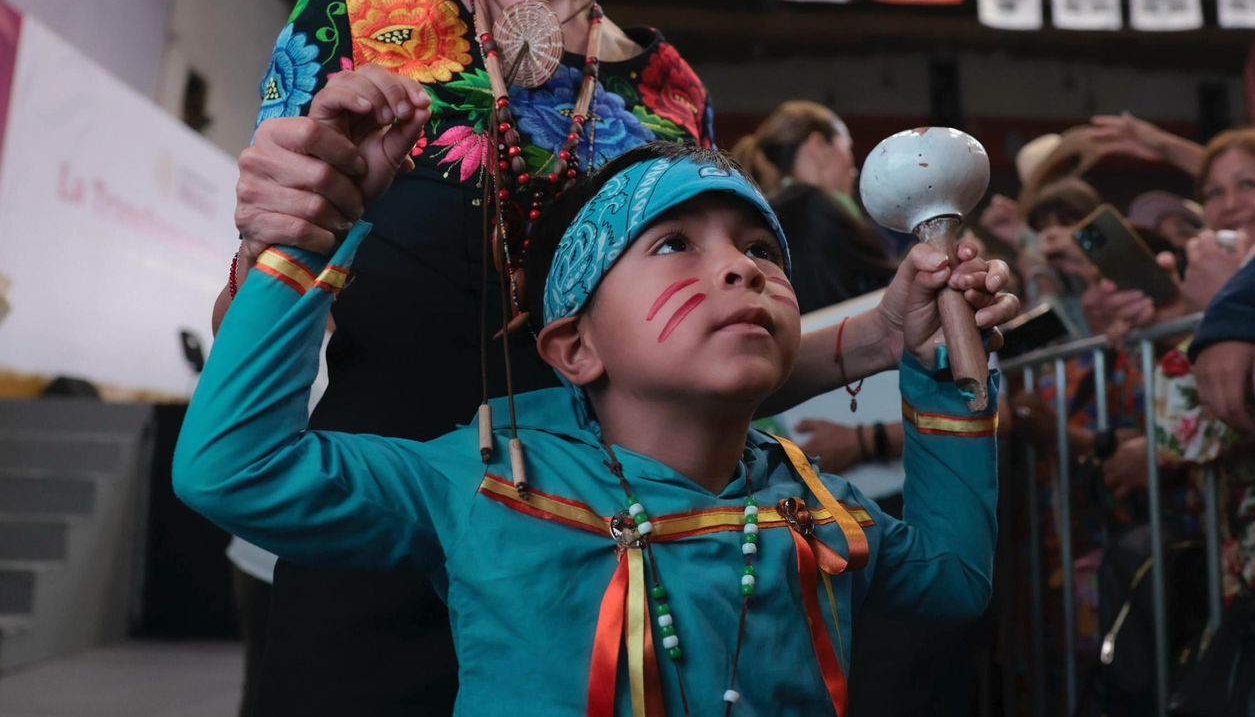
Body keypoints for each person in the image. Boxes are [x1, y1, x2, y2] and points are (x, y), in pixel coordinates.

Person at [213, 0, 1022, 716]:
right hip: (380, 538)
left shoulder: (670, 90)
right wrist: (290, 232)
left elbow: (677, 373)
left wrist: (876, 338)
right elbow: (251, 331)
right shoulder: (351, 25)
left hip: (605, 587)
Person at [176, 138, 1004, 716]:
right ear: (576, 347)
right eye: (673, 243)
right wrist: (306, 241)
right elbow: (235, 469)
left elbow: (954, 579)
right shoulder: (489, 484)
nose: (740, 268)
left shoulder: (817, 509)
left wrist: (935, 365)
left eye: (762, 249)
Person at [728, 101, 895, 313]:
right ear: (819, 146)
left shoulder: (762, 212)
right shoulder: (815, 209)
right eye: (847, 147)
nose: (853, 169)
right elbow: (890, 287)